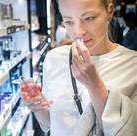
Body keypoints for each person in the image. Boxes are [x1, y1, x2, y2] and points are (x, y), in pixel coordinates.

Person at [20, 0, 137, 136]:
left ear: (109, 11)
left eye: (89, 18)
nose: (78, 31)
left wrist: (94, 84)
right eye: (69, 22)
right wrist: (37, 107)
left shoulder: (132, 65)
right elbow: (50, 123)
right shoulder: (54, 59)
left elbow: (127, 131)